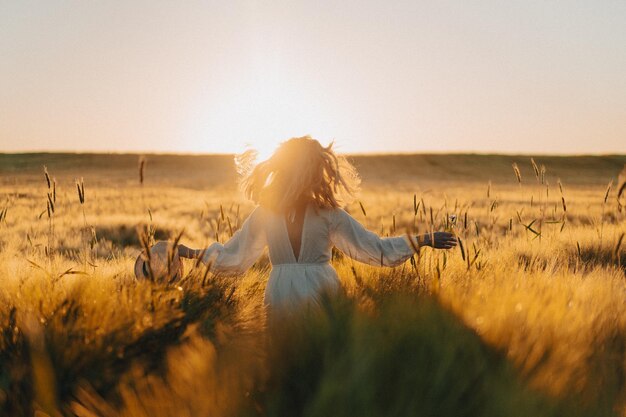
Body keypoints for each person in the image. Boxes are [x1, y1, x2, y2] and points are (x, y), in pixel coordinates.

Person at [177, 136, 457, 316]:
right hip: (317, 293)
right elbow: (374, 249)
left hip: (283, 293)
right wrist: (423, 239)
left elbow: (233, 257)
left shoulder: (273, 214)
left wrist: (423, 239)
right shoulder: (324, 214)